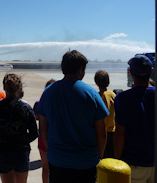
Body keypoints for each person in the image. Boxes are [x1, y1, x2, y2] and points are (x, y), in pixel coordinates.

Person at [38, 50, 109, 183]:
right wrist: (98, 156)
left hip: (57, 161)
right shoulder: (91, 94)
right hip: (86, 163)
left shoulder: (48, 93)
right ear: (81, 69)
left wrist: (53, 152)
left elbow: (43, 129)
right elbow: (102, 133)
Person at [0, 73, 38, 183]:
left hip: (3, 152)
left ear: (4, 88)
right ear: (19, 88)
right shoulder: (26, 108)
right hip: (21, 152)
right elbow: (34, 133)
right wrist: (23, 140)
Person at [114, 54, 155, 182]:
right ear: (151, 72)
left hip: (135, 163)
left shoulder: (122, 98)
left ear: (131, 73)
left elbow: (120, 134)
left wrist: (118, 160)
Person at [33, 78, 56, 183]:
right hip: (56, 138)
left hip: (43, 137)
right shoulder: (58, 104)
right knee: (56, 167)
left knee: (45, 167)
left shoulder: (39, 103)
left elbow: (36, 117)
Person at [94, 70, 116, 158]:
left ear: (97, 83)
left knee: (103, 158)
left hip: (102, 131)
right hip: (113, 131)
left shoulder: (97, 96)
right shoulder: (113, 94)